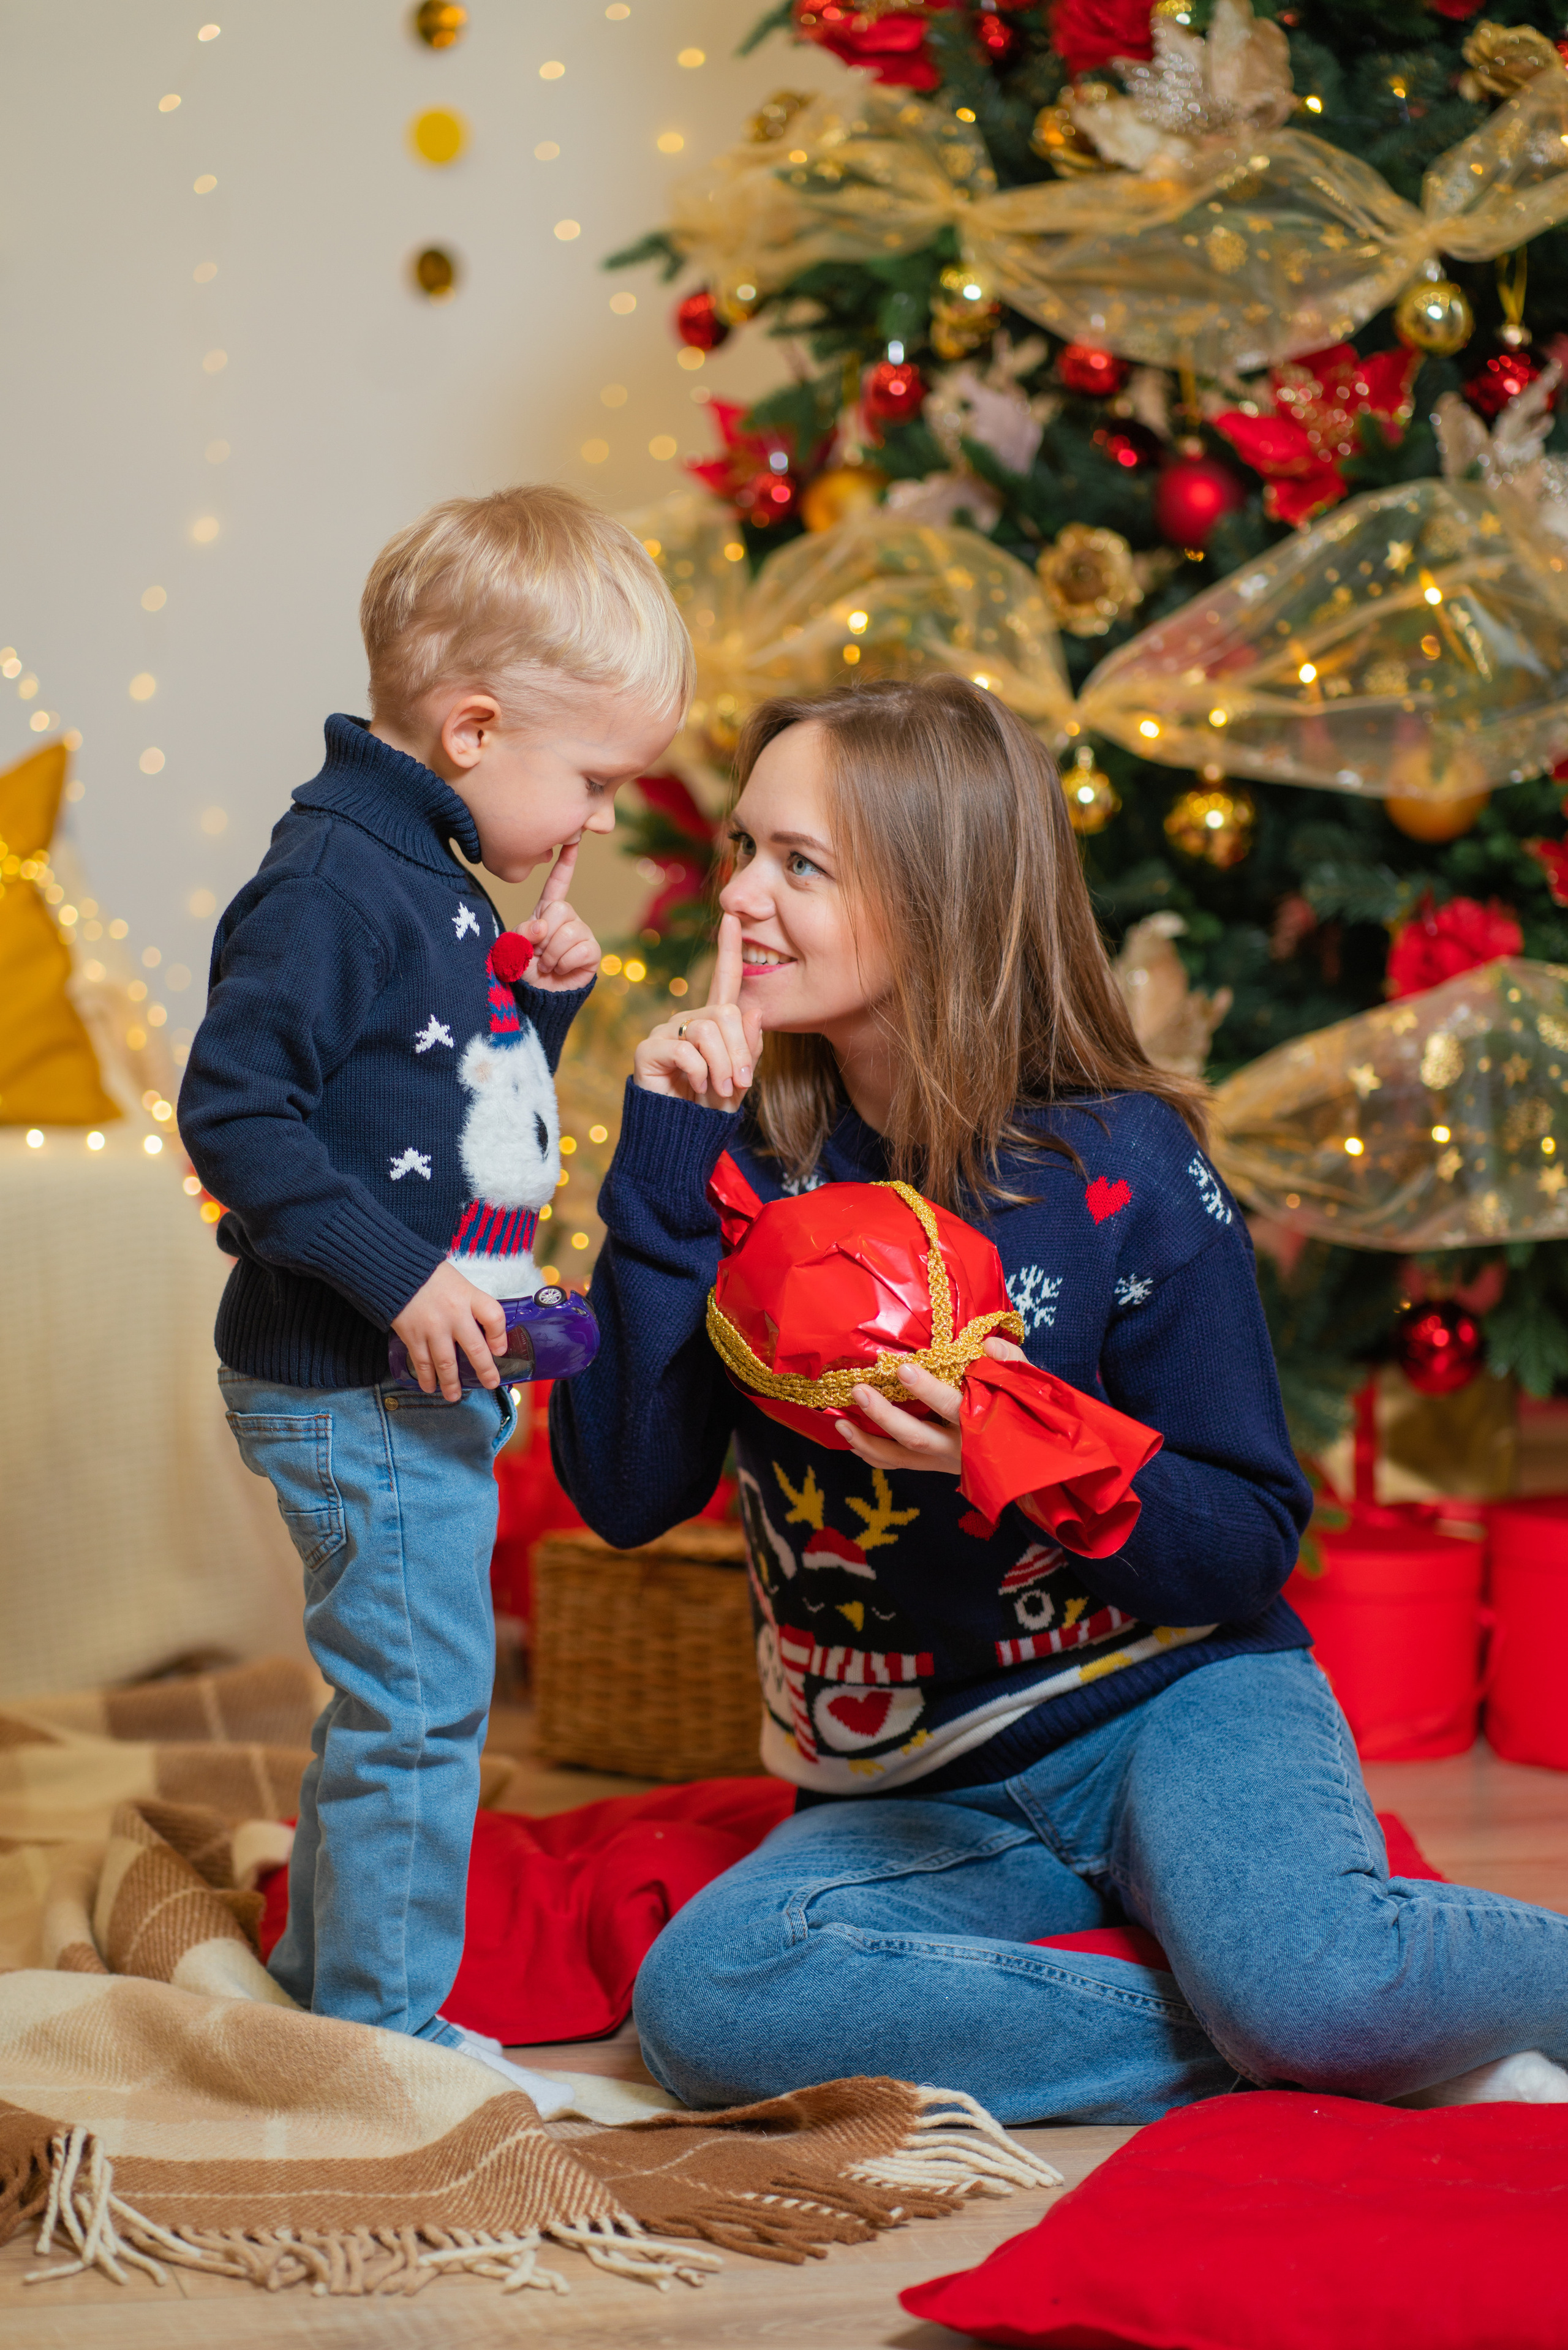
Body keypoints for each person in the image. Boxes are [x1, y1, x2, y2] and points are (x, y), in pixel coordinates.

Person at [552, 673, 1568, 2125]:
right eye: (742, 853)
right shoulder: (743, 1158)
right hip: (917, 1781)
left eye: (798, 865)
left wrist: (1013, 1444)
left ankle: (1318, 2013)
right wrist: (658, 1165)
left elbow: (1246, 1537)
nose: (740, 905)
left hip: (1174, 1699)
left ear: (937, 893)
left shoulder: (1123, 1165)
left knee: (1321, 1986)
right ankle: (1264, 2039)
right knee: (710, 2002)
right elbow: (627, 1494)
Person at [179, 486, 688, 2090]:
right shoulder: (337, 879)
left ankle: (331, 1973)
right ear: (472, 725)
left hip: (409, 1365)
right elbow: (233, 1110)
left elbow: (443, 1111)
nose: (600, 816)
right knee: (422, 1701)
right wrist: (402, 1282)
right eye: (593, 778)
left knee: (404, 1690)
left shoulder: (438, 870)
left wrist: (543, 1014)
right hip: (346, 1371)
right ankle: (384, 2037)